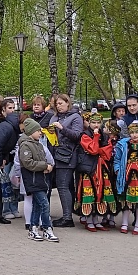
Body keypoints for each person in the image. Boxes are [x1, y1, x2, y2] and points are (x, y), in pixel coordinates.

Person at [74, 111, 117, 232]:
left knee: (101, 193)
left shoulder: (105, 136)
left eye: (98, 122)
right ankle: (89, 221)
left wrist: (97, 149)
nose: (96, 125)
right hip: (89, 168)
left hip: (101, 167)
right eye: (93, 122)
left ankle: (97, 220)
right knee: (90, 193)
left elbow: (107, 153)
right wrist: (97, 141)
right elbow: (93, 149)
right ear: (89, 123)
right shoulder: (84, 135)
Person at [17, 118, 57, 242]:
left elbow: (45, 159)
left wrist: (47, 167)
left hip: (41, 179)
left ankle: (33, 228)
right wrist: (45, 166)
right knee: (44, 204)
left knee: (38, 205)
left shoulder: (38, 145)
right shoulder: (25, 145)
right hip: (33, 180)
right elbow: (27, 162)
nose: (40, 132)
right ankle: (47, 228)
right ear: (30, 132)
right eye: (38, 130)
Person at [50, 94, 83, 228]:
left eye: (61, 103)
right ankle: (68, 213)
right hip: (55, 155)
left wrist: (62, 129)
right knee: (66, 186)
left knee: (63, 186)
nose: (58, 106)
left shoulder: (75, 117)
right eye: (57, 104)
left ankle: (67, 218)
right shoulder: (54, 117)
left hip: (68, 156)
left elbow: (77, 135)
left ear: (68, 104)